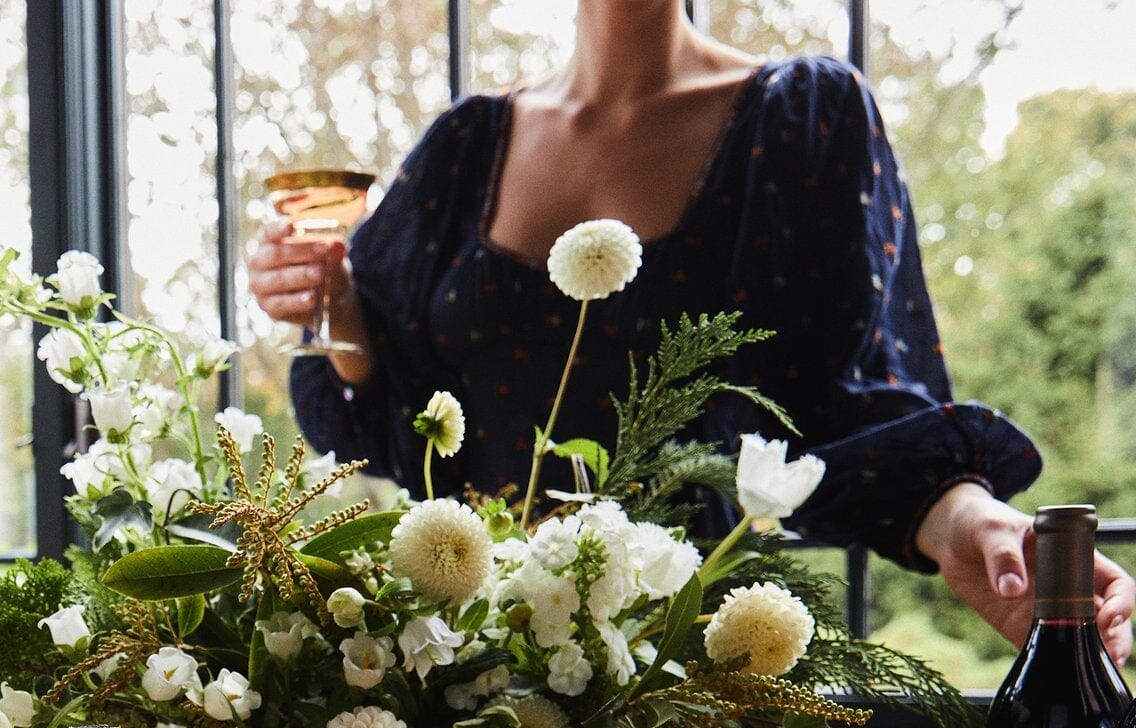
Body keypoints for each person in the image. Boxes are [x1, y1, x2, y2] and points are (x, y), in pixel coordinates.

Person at [250, 0, 1134, 660]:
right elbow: (393, 429)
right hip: (469, 700)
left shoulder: (803, 119)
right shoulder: (461, 147)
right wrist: (332, 307)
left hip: (698, 707)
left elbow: (846, 416)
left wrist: (969, 523)